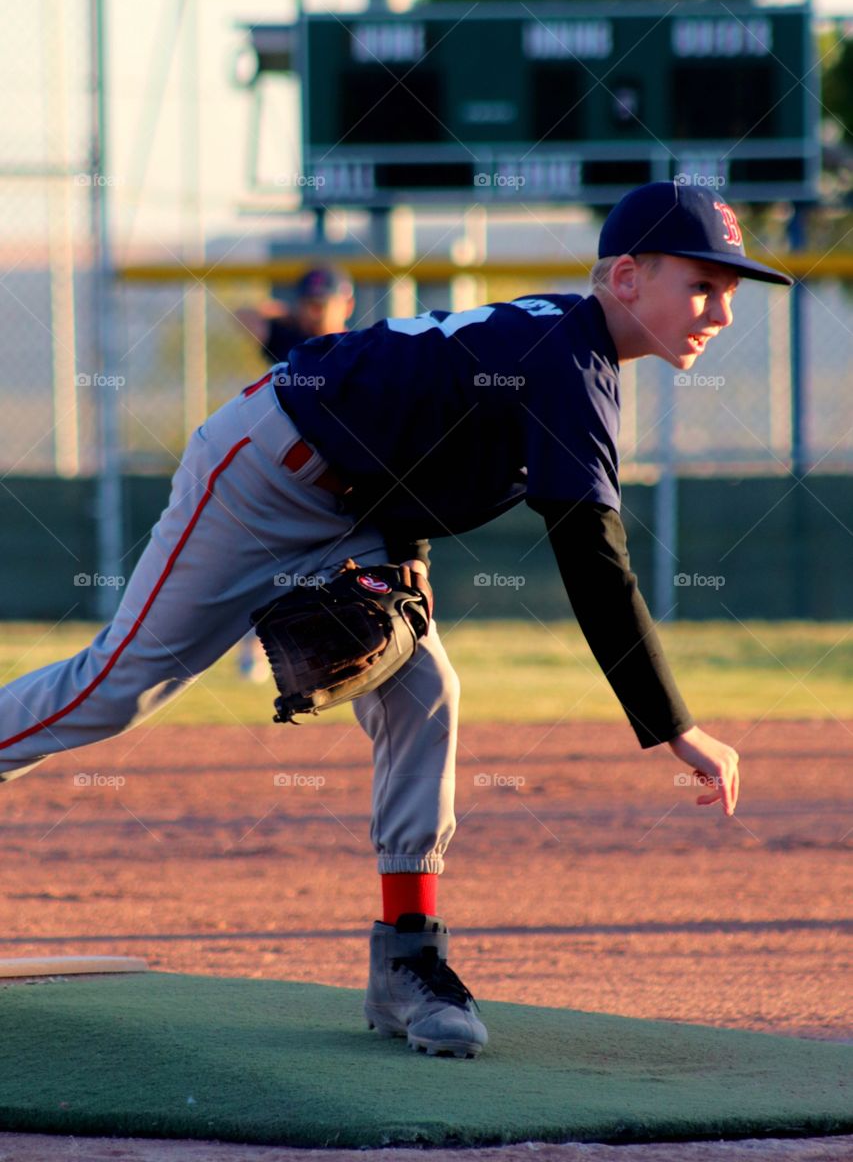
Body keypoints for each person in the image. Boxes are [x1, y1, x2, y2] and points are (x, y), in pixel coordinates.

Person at [0, 183, 792, 1060]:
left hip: (356, 504)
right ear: (630, 275)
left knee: (427, 692)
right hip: (263, 472)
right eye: (703, 286)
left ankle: (406, 963)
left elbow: (420, 425)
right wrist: (673, 725)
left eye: (730, 291)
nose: (720, 311)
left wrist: (402, 562)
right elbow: (592, 561)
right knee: (118, 688)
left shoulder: (563, 345)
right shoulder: (568, 358)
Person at [234, 266, 355, 680]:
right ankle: (253, 649)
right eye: (310, 303)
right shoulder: (291, 342)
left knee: (337, 572)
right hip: (284, 473)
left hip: (340, 478)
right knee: (265, 562)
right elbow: (243, 315)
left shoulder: (357, 347)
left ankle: (334, 656)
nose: (316, 312)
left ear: (347, 304)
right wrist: (281, 311)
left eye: (325, 303)